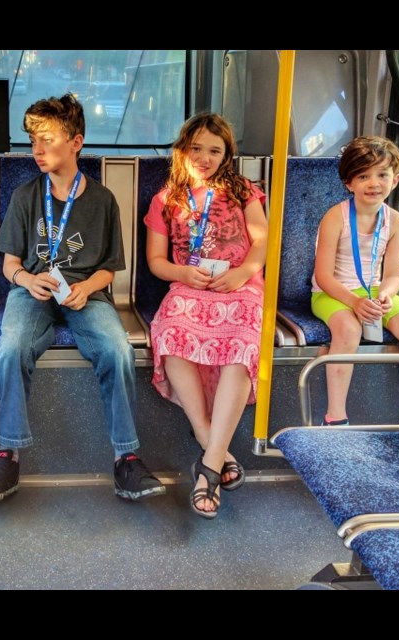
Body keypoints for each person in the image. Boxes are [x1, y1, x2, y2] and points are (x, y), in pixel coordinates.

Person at [0, 94, 165, 503]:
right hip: (33, 288)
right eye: (32, 141)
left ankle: (126, 458)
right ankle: (8, 453)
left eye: (47, 140)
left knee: (116, 349)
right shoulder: (27, 196)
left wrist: (86, 288)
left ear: (76, 142)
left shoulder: (102, 201)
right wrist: (26, 277)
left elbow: (109, 268)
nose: (36, 150)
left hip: (85, 293)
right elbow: (8, 264)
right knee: (12, 348)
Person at [144, 114, 267, 519]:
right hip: (189, 285)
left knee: (243, 342)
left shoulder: (244, 191)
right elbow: (157, 262)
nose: (204, 157)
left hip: (239, 286)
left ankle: (209, 467)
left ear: (227, 155)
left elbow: (261, 243)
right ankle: (208, 438)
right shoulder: (167, 200)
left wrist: (242, 274)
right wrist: (183, 273)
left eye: (215, 150)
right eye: (196, 148)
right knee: (169, 330)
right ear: (182, 150)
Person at [312, 136, 399, 427]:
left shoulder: (396, 222)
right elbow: (323, 275)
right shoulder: (335, 217)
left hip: (374, 291)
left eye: (382, 175)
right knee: (349, 328)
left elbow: (392, 275)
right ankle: (335, 416)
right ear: (349, 183)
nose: (373, 183)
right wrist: (354, 302)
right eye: (363, 176)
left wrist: (386, 296)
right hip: (333, 293)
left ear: (395, 180)